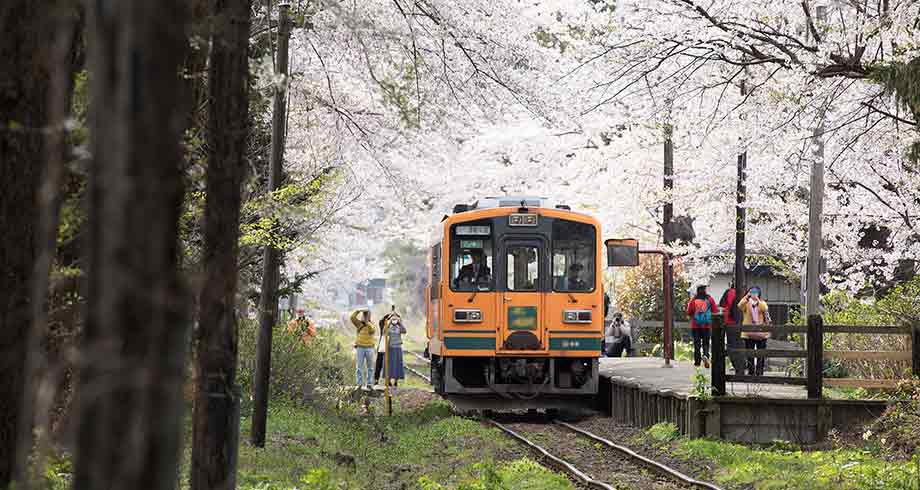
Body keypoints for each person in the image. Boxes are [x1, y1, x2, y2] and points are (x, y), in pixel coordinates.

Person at [738, 286, 771, 376]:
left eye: (756, 292)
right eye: (752, 291)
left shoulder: (762, 303)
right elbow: (739, 305)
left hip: (761, 332)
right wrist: (747, 296)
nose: (754, 293)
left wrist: (758, 300)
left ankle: (760, 372)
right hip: (748, 332)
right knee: (749, 353)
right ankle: (751, 371)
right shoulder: (746, 303)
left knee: (761, 353)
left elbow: (765, 308)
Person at [686, 285, 719, 368]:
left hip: (695, 326)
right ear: (705, 290)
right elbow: (715, 311)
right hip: (707, 326)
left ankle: (697, 362)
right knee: (706, 343)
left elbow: (689, 312)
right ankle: (706, 356)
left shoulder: (693, 300)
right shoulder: (709, 299)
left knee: (697, 344)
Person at [719, 282, 745, 375]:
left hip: (729, 323)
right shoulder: (744, 293)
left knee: (731, 345)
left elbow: (721, 303)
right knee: (741, 345)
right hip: (742, 324)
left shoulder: (728, 292)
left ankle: (736, 366)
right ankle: (741, 368)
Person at [350, 309, 376, 390]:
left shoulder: (372, 324)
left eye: (366, 315)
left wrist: (367, 322)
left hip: (369, 348)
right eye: (364, 315)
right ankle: (359, 384)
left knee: (370, 367)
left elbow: (372, 330)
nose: (364, 316)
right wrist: (358, 310)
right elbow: (352, 317)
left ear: (369, 316)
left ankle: (369, 383)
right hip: (360, 348)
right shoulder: (359, 324)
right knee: (359, 367)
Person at [384, 312, 407, 386]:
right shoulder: (388, 327)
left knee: (397, 364)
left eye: (395, 319)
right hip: (390, 347)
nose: (394, 320)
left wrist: (400, 323)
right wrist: (389, 323)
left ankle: (396, 381)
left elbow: (404, 331)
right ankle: (389, 380)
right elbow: (384, 332)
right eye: (393, 319)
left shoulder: (399, 327)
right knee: (389, 364)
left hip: (397, 347)